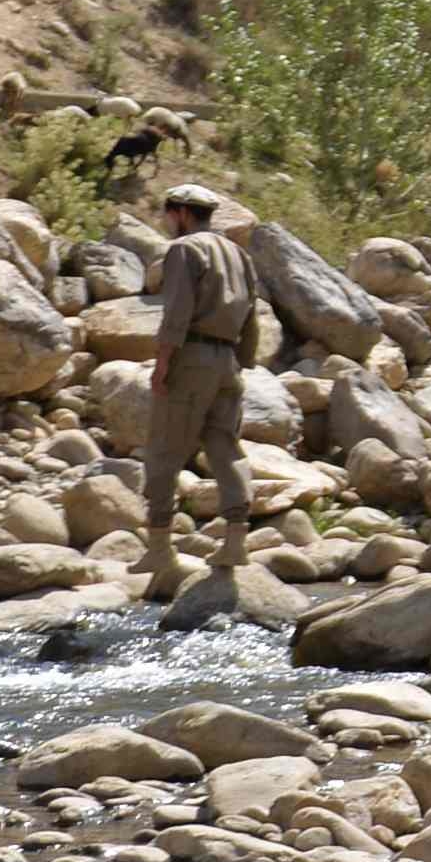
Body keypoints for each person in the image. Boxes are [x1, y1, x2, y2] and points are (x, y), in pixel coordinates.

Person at [137, 182, 262, 600]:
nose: (167, 221)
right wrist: (241, 363)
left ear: (183, 214)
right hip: (228, 361)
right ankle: (235, 540)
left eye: (168, 214)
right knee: (225, 448)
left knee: (164, 449)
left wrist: (163, 364)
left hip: (191, 357)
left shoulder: (184, 250)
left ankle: (159, 547)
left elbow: (177, 313)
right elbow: (252, 316)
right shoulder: (239, 255)